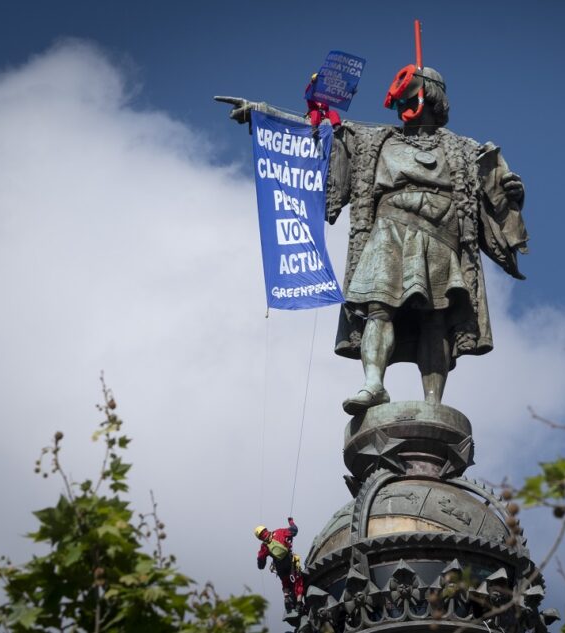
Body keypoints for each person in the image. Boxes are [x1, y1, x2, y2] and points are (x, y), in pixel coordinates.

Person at [217, 63, 528, 415]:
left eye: (410, 98)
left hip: (441, 235)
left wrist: (512, 192)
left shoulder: (466, 150)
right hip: (389, 230)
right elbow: (315, 132)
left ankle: (433, 404)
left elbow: (497, 193)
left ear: (432, 98)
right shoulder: (373, 139)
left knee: (436, 318)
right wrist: (264, 115)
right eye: (399, 102)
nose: (402, 107)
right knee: (378, 307)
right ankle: (373, 384)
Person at [254, 517, 302, 611]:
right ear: (266, 529)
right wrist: (291, 522)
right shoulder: (279, 532)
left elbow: (261, 565)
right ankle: (299, 603)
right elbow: (294, 530)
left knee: (285, 583)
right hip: (289, 562)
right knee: (298, 580)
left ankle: (286, 596)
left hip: (280, 567)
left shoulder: (264, 546)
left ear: (259, 538)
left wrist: (262, 558)